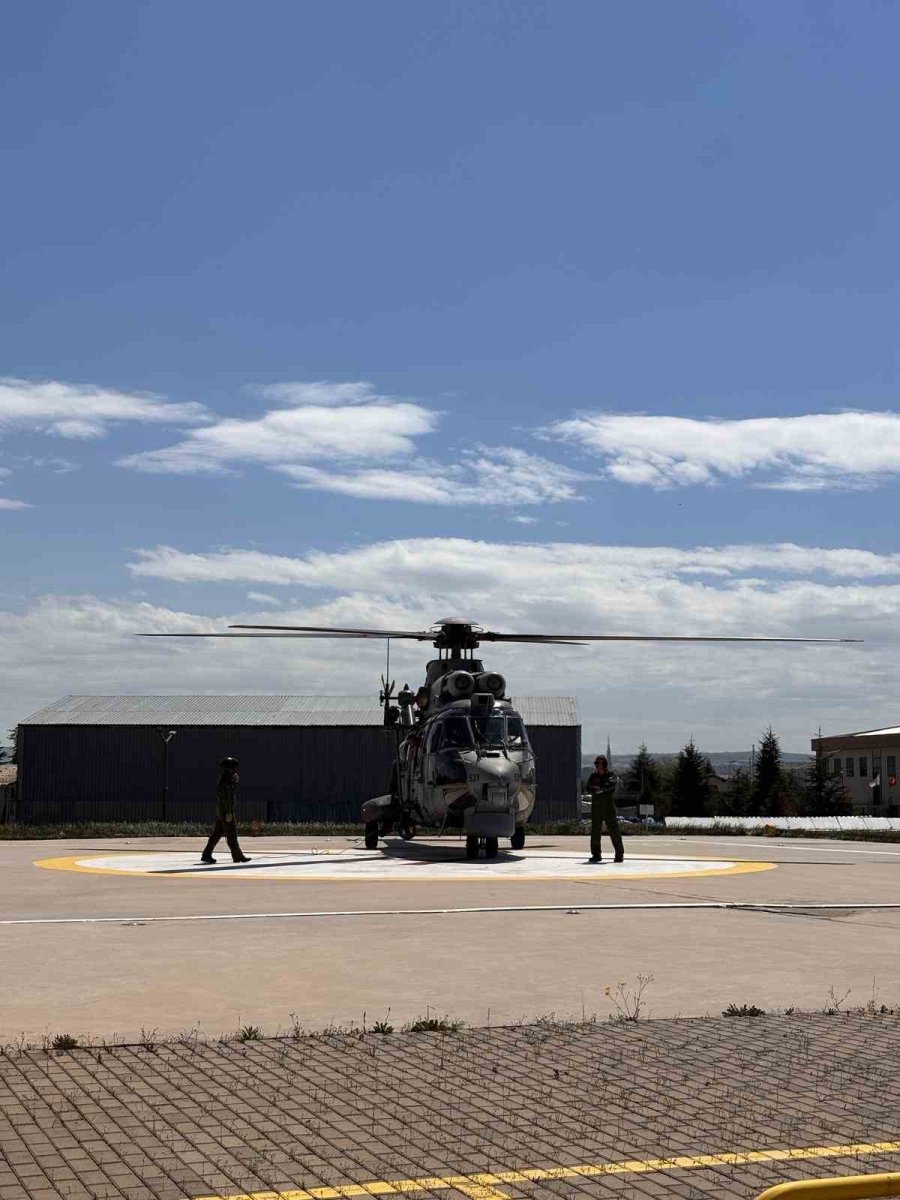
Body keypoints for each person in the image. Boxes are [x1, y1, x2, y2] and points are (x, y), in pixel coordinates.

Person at [200, 757, 251, 864]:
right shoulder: (226, 783)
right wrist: (228, 813)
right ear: (230, 769)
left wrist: (234, 782)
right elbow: (227, 799)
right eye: (233, 768)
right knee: (232, 834)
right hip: (226, 812)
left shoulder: (225, 781)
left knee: (216, 834)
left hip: (222, 812)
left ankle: (206, 854)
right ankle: (237, 856)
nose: (235, 770)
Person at [585, 754, 624, 863]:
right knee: (595, 831)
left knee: (614, 830)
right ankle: (596, 854)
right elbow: (589, 788)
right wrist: (598, 789)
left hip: (608, 808)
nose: (597, 766)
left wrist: (600, 789)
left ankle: (619, 854)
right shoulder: (593, 776)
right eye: (596, 763)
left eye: (599, 763)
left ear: (604, 764)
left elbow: (610, 786)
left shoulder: (611, 776)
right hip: (596, 807)